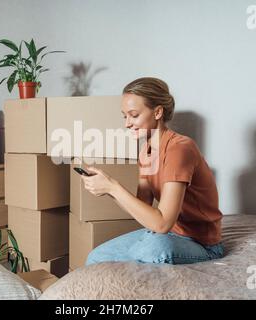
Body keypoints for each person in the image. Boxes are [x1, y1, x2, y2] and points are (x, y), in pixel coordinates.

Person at [82, 77, 224, 265]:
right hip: (166, 235)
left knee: (151, 250)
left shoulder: (180, 148)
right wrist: (108, 188)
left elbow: (162, 223)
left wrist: (114, 188)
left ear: (157, 112)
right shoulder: (146, 152)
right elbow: (143, 209)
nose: (127, 124)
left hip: (201, 244)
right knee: (96, 258)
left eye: (134, 115)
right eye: (125, 116)